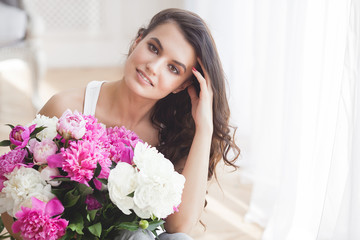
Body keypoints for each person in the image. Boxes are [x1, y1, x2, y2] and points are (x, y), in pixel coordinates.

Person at [2, 8, 240, 240]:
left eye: (173, 68)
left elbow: (179, 226)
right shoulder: (66, 108)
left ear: (181, 86)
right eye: (153, 48)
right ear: (137, 41)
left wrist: (204, 128)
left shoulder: (175, 135)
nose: (153, 67)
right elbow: (9, 193)